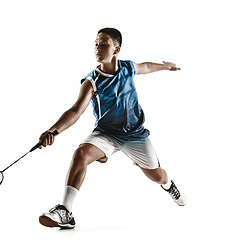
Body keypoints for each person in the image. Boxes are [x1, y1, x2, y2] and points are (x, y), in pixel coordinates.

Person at [37, 28, 186, 229]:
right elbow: (75, 111)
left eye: (104, 44)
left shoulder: (128, 68)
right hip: (106, 134)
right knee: (80, 154)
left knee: (157, 176)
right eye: (96, 43)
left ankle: (170, 187)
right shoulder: (91, 81)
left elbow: (146, 67)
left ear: (116, 49)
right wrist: (53, 130)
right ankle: (65, 211)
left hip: (136, 136)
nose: (98, 48)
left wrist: (165, 66)